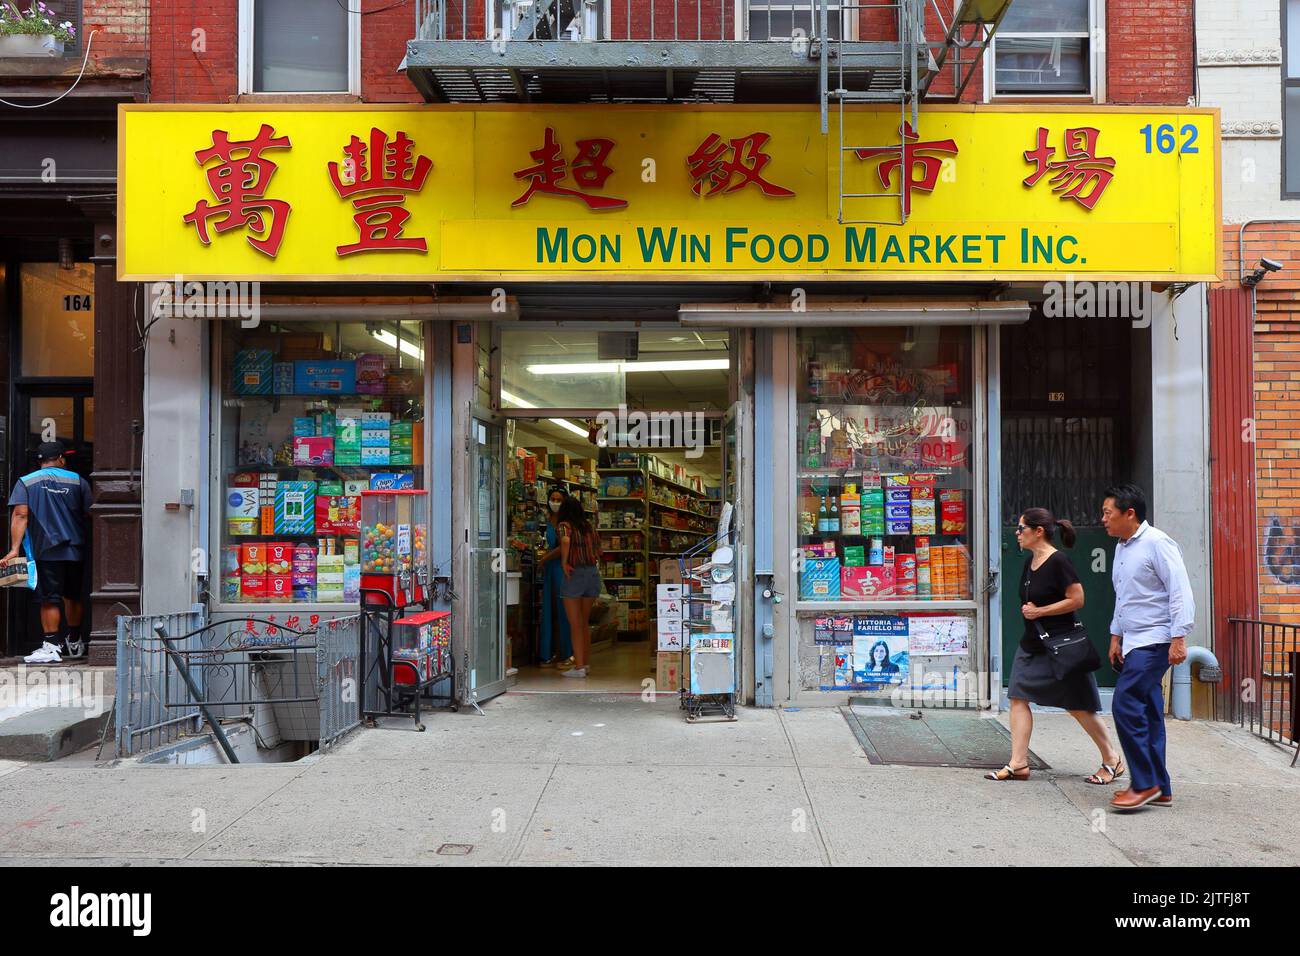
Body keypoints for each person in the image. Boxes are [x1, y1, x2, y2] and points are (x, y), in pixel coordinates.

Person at [986, 508, 1123, 784]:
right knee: (1017, 696)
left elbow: (1077, 599)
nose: (1017, 533)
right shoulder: (1029, 563)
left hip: (1063, 645)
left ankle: (1112, 759)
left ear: (1039, 532)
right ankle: (1019, 763)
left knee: (1079, 705)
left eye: (1021, 528)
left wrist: (1041, 612)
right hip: (1033, 643)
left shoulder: (1059, 561)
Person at [1102, 484, 1193, 812]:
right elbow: (1124, 596)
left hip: (1156, 640)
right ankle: (1161, 786)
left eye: (1108, 513)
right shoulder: (1122, 548)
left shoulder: (1158, 543)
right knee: (1150, 709)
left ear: (1130, 514)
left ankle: (1144, 783)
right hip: (1135, 638)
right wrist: (1116, 635)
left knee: (1125, 703)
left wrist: (1179, 636)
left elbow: (1179, 589)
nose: (1103, 520)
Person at [3, 440, 92, 663]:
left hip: (45, 550)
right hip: (75, 549)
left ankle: (52, 645)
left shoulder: (26, 482)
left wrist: (14, 549)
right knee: (72, 595)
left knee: (49, 599)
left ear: (40, 461)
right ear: (61, 458)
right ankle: (74, 640)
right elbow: (91, 513)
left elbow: (21, 515)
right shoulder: (78, 481)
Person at [556, 495, 602, 679]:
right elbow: (599, 550)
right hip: (592, 574)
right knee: (584, 623)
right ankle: (586, 664)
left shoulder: (564, 526)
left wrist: (564, 562)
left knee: (575, 625)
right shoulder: (588, 527)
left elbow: (565, 541)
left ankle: (579, 666)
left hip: (575, 573)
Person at [536, 487, 574, 667]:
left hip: (561, 568)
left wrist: (544, 558)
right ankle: (547, 653)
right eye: (553, 499)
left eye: (559, 499)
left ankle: (567, 653)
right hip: (550, 569)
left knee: (564, 611)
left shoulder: (566, 522)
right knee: (548, 611)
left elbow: (562, 548)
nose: (555, 502)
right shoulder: (548, 520)